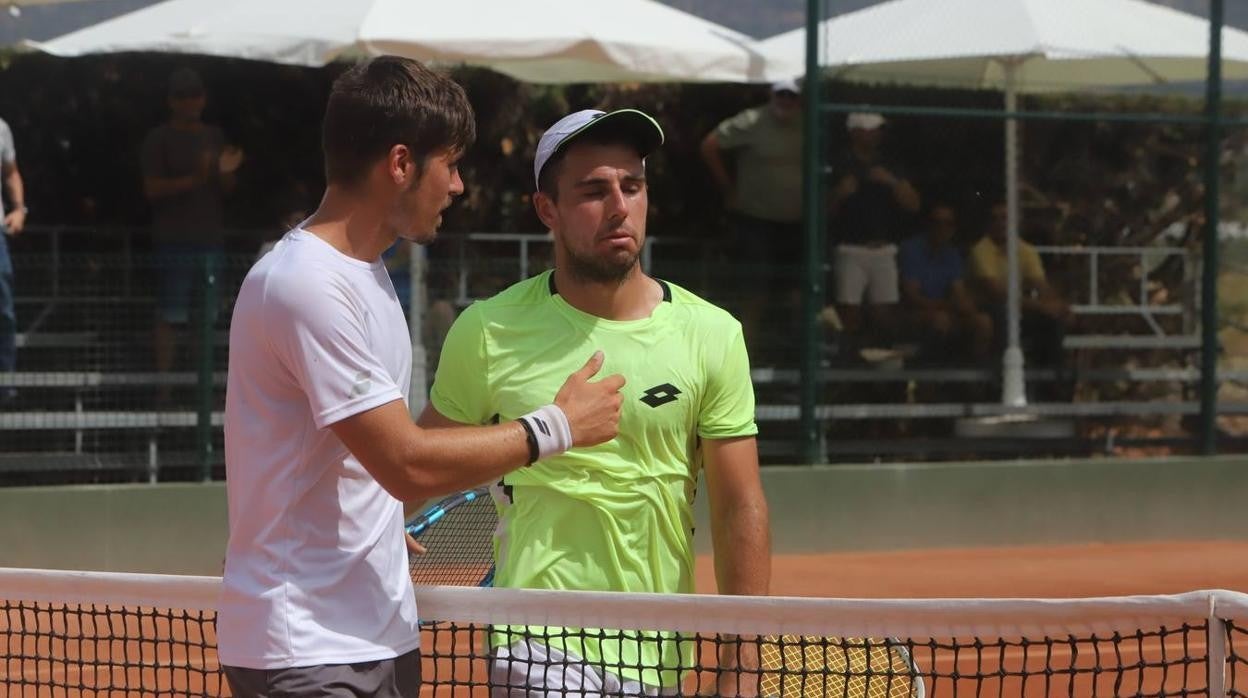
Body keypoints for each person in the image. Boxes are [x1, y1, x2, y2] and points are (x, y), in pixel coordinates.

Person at [218, 57, 625, 698]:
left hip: (375, 634)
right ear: (401, 164)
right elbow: (403, 463)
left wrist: (375, 527)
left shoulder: (369, 279)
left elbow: (355, 458)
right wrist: (557, 427)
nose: (459, 186)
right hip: (309, 649)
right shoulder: (304, 285)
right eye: (451, 164)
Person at [421, 108, 771, 697]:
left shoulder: (713, 335)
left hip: (659, 651)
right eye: (593, 191)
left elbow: (740, 507)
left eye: (632, 186)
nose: (618, 206)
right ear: (547, 210)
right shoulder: (488, 331)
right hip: (536, 642)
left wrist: (743, 665)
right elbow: (419, 463)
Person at [141, 67, 244, 396]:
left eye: (195, 94)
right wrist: (197, 178)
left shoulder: (214, 136)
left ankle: (202, 390)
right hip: (173, 241)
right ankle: (165, 388)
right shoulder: (158, 139)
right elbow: (151, 188)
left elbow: (227, 188)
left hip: (210, 240)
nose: (190, 101)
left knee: (207, 318)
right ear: (171, 101)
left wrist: (226, 172)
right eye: (183, 96)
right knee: (170, 314)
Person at [700, 79, 803, 362]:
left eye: (792, 96)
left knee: (797, 297)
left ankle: (792, 366)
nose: (786, 101)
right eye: (781, 94)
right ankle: (745, 365)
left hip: (797, 225)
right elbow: (709, 145)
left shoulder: (809, 124)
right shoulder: (751, 120)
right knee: (754, 296)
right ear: (772, 94)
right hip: (756, 222)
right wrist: (728, 188)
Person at [827, 112, 920, 348]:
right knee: (850, 313)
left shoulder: (889, 164)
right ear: (855, 132)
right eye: (870, 129)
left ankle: (878, 367)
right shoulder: (838, 163)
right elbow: (822, 211)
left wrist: (891, 182)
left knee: (885, 314)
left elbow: (913, 204)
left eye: (878, 129)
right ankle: (850, 364)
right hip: (850, 248)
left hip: (883, 249)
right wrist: (839, 193)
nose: (876, 134)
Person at [967, 202, 1071, 371]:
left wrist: (1057, 305)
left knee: (1052, 319)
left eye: (1005, 218)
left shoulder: (1026, 250)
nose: (1000, 223)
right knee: (1003, 314)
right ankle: (1001, 373)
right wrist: (1040, 306)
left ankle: (1054, 375)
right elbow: (995, 292)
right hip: (987, 307)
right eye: (995, 219)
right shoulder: (980, 250)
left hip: (1018, 307)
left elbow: (1041, 285)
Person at [897, 203, 992, 361]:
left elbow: (958, 292)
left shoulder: (952, 254)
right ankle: (931, 374)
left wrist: (966, 306)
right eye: (937, 222)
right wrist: (950, 305)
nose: (942, 228)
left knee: (983, 321)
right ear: (928, 224)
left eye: (948, 223)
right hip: (911, 312)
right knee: (941, 319)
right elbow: (912, 297)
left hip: (945, 310)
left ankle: (972, 379)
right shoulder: (911, 249)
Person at [0, 116, 26, 401]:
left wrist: (19, 209)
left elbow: (10, 172)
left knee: (3, 307)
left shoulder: (1, 128)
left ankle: (4, 381)